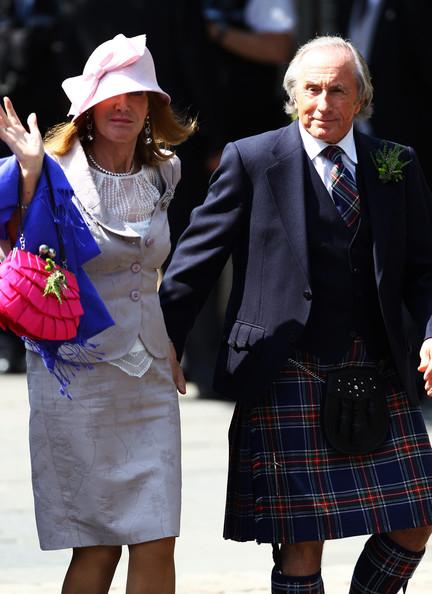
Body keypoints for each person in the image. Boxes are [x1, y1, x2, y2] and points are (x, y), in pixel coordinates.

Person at [160, 36, 432, 593]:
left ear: (360, 100)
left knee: (418, 516)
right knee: (302, 539)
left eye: (338, 91)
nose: (324, 103)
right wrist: (166, 339)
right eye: (312, 89)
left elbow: (425, 270)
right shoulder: (253, 159)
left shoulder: (395, 164)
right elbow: (195, 258)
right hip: (286, 370)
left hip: (379, 369)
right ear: (292, 95)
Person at [0, 33, 192, 594]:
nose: (124, 107)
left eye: (138, 97)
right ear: (88, 106)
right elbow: (22, 256)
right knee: (99, 544)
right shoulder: (51, 165)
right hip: (77, 381)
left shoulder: (167, 171)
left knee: (159, 534)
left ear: (153, 107)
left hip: (150, 379)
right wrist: (31, 174)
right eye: (113, 96)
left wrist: (169, 343)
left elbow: (150, 275)